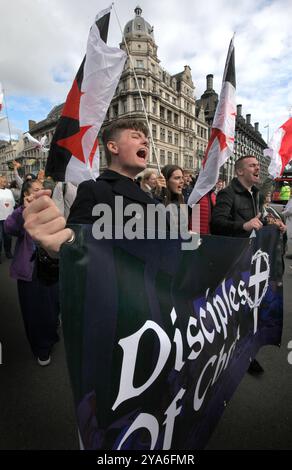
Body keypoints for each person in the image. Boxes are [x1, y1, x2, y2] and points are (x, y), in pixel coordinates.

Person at [23, 119, 157, 255]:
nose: (146, 142)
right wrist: (61, 239)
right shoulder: (94, 190)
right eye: (136, 136)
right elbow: (77, 248)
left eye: (146, 139)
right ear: (113, 147)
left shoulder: (148, 196)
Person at [211, 155, 263, 374]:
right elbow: (217, 223)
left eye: (258, 166)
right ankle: (228, 354)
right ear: (240, 171)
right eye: (253, 165)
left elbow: (257, 220)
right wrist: (243, 225)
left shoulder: (256, 194)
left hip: (250, 259)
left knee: (248, 308)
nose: (257, 168)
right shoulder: (228, 193)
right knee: (235, 311)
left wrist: (272, 223)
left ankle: (245, 353)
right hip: (231, 262)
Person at [4, 179, 59, 365]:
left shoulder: (51, 208)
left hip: (51, 266)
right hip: (30, 270)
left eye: (42, 188)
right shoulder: (21, 213)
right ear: (27, 195)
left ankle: (50, 334)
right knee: (33, 311)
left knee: (51, 305)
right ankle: (41, 348)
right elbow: (10, 228)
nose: (41, 192)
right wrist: (23, 211)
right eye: (36, 190)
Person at [0, 175, 15, 262]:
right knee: (0, 238)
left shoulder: (9, 191)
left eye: (5, 180)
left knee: (8, 237)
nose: (4, 182)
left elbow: (12, 203)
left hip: (8, 217)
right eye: (2, 180)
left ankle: (8, 252)